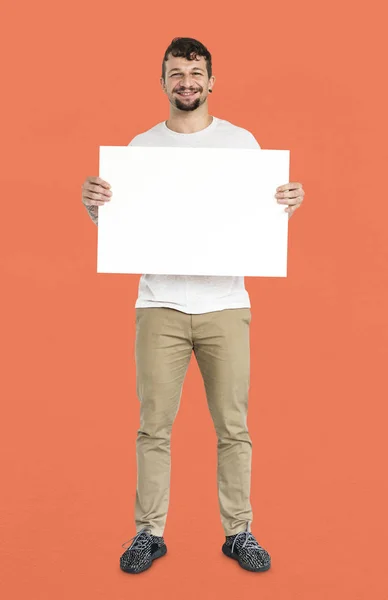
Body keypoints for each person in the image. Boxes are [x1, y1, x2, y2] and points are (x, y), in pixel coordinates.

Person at [81, 37, 305, 574]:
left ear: (211, 81)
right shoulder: (140, 149)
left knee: (233, 425)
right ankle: (148, 533)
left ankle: (239, 532)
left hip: (225, 303)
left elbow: (255, 221)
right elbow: (123, 227)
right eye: (176, 72)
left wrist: (286, 206)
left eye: (196, 72)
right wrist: (95, 209)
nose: (187, 81)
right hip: (159, 303)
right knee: (153, 425)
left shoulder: (242, 144)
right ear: (163, 82)